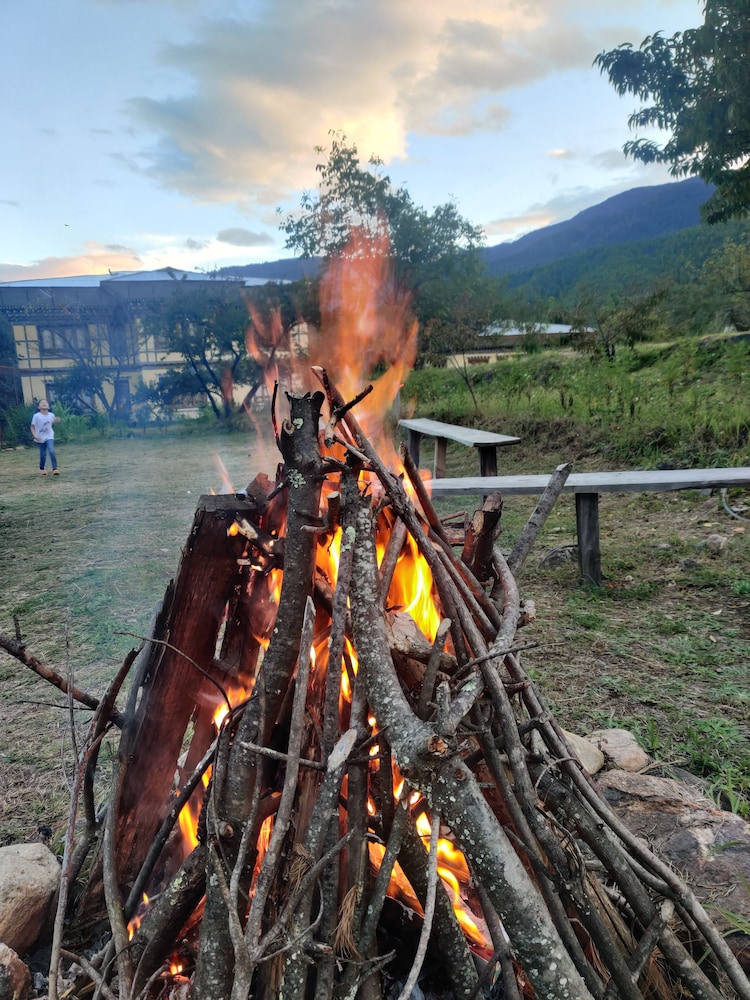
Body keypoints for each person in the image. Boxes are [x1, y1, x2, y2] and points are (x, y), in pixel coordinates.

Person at [30, 399, 61, 476]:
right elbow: (32, 427)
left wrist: (57, 420)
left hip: (49, 436)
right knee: (43, 454)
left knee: (51, 451)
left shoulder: (51, 415)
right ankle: (42, 469)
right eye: (41, 403)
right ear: (38, 407)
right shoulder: (36, 416)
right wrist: (35, 436)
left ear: (48, 407)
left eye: (45, 403)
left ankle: (55, 469)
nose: (44, 404)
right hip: (39, 437)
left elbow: (52, 422)